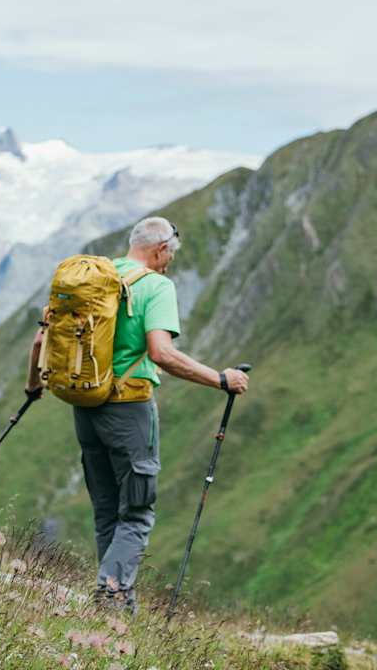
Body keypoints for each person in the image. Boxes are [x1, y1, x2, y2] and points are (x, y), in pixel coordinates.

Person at [25, 216, 249, 613]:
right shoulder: (156, 286)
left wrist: (33, 386)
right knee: (139, 513)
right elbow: (162, 353)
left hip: (86, 405)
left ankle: (118, 606)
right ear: (161, 249)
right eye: (170, 255)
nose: (170, 263)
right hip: (129, 409)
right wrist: (220, 379)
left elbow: (42, 337)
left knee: (107, 510)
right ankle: (110, 598)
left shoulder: (96, 278)